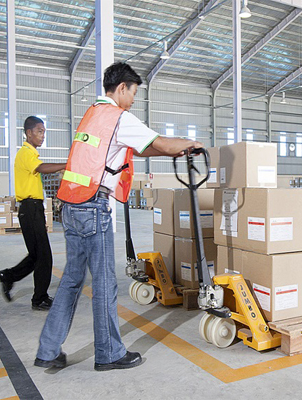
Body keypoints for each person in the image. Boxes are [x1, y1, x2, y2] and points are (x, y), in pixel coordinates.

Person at [34, 62, 203, 371]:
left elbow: (141, 149)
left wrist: (172, 151)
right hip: (92, 208)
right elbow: (160, 143)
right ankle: (109, 353)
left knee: (72, 280)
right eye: (134, 92)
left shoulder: (93, 114)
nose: (134, 100)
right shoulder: (118, 117)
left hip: (70, 205)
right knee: (104, 283)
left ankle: (48, 349)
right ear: (122, 88)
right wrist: (189, 144)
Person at [0, 116, 67, 310]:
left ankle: (9, 276)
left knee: (37, 255)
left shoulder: (31, 153)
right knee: (44, 256)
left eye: (44, 132)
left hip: (33, 208)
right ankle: (39, 298)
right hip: (29, 208)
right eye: (39, 131)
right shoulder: (26, 153)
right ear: (29, 133)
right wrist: (66, 164)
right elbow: (42, 168)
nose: (43, 135)